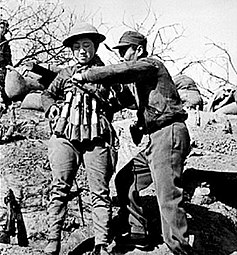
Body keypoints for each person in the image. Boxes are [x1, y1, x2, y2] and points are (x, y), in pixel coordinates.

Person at [72, 31, 194, 255]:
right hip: (154, 140)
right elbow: (119, 101)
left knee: (168, 197)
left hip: (169, 134)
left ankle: (180, 250)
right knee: (126, 179)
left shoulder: (150, 65)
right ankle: (139, 232)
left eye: (124, 51)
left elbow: (123, 71)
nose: (122, 57)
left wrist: (88, 75)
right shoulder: (139, 83)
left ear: (138, 50)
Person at [41, 23, 135, 255]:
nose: (82, 51)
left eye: (87, 45)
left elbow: (125, 97)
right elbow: (47, 94)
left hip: (97, 137)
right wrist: (51, 107)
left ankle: (101, 244)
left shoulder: (108, 73)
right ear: (72, 51)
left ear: (95, 47)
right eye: (77, 47)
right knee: (59, 188)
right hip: (66, 135)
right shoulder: (65, 74)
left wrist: (107, 109)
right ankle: (53, 241)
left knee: (100, 192)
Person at [0, 18, 12, 116]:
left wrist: (10, 67)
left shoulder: (5, 43)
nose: (2, 30)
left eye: (4, 28)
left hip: (2, 68)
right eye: (0, 27)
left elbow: (8, 58)